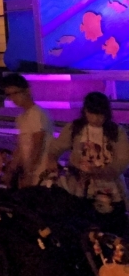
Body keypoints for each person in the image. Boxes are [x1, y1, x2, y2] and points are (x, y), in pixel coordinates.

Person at [50, 91, 129, 234]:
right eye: (93, 113)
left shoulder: (116, 131)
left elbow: (123, 161)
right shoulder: (75, 128)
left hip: (109, 190)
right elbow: (56, 148)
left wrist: (103, 171)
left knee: (110, 229)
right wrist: (53, 161)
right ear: (85, 111)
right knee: (83, 228)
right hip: (79, 188)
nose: (97, 119)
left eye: (101, 114)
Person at [2, 73, 54, 188]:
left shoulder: (36, 114)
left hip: (41, 175)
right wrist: (12, 169)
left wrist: (29, 173)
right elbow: (22, 146)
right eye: (9, 95)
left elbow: (38, 145)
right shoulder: (21, 117)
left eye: (16, 93)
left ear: (27, 91)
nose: (12, 98)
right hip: (30, 172)